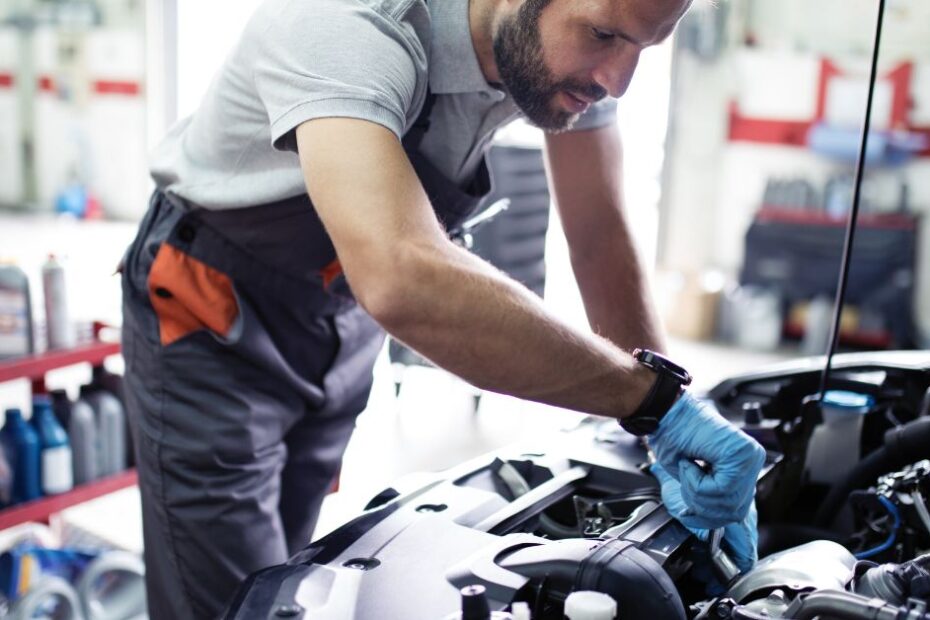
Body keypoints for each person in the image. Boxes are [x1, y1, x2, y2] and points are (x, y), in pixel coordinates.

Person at [119, 0, 765, 616]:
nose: (619, 80)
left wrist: (669, 427)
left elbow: (598, 234)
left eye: (645, 45)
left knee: (289, 574)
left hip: (340, 311)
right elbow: (402, 277)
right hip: (210, 308)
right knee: (230, 601)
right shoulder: (347, 23)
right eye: (604, 35)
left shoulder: (567, 60)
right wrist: (651, 400)